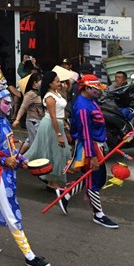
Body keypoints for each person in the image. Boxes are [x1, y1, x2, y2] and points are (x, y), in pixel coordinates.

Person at [0, 91, 50, 266]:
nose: (10, 106)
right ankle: (29, 255)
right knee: (11, 212)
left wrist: (21, 160)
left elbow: (9, 148)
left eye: (11, 103)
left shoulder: (4, 121)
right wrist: (3, 160)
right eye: (6, 102)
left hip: (7, 172)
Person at [56, 74, 119, 228]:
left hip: (96, 144)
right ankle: (98, 214)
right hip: (89, 146)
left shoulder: (91, 101)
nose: (98, 91)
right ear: (86, 88)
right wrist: (91, 156)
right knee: (94, 179)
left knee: (91, 176)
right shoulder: (83, 107)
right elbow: (85, 134)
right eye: (95, 89)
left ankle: (66, 194)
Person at [13, 72, 44, 154]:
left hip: (39, 120)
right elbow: (23, 107)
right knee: (35, 143)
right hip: (33, 121)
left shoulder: (39, 93)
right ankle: (32, 160)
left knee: (30, 141)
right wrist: (17, 119)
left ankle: (18, 157)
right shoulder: (30, 94)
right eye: (40, 81)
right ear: (35, 82)